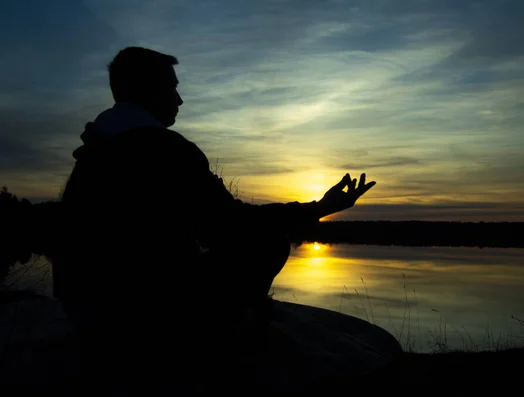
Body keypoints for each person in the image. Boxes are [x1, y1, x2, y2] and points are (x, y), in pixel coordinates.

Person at [51, 47, 377, 391]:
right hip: (139, 316)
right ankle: (218, 337)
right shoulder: (167, 150)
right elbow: (232, 226)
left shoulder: (96, 147)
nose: (179, 100)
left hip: (85, 309)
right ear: (146, 90)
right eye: (171, 88)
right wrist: (317, 209)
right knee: (266, 244)